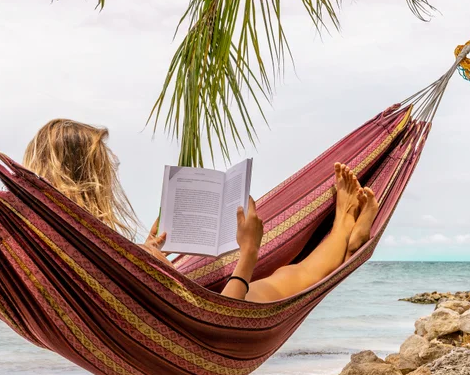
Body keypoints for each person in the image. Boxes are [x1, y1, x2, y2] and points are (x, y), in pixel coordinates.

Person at [23, 119, 379, 303]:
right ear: (84, 174)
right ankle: (346, 226)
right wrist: (249, 252)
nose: (112, 170)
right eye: (104, 165)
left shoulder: (59, 236)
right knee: (289, 277)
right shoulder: (83, 240)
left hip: (174, 317)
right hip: (196, 327)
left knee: (287, 275)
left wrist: (147, 254)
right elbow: (227, 319)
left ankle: (348, 236)